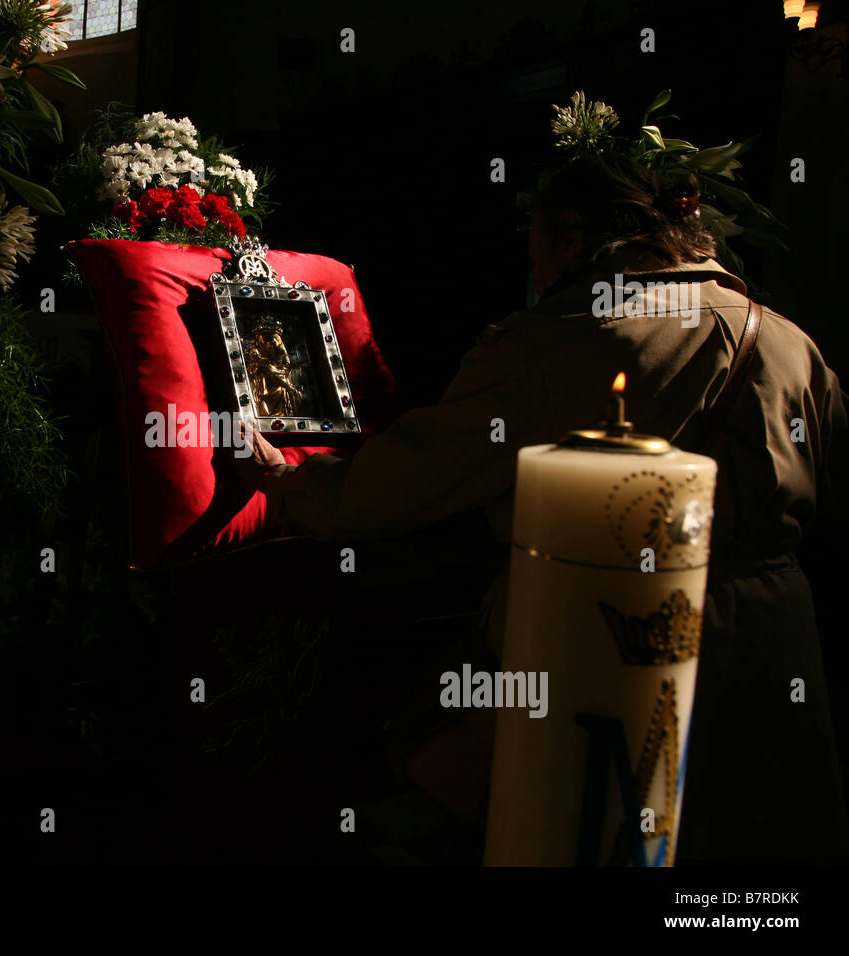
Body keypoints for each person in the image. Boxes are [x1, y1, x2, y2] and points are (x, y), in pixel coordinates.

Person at [232, 153, 849, 863]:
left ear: (572, 237)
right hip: (775, 647)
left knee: (595, 830)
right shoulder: (788, 339)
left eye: (538, 250)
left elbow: (408, 481)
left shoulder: (552, 341)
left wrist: (288, 483)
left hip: (610, 637)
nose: (539, 273)